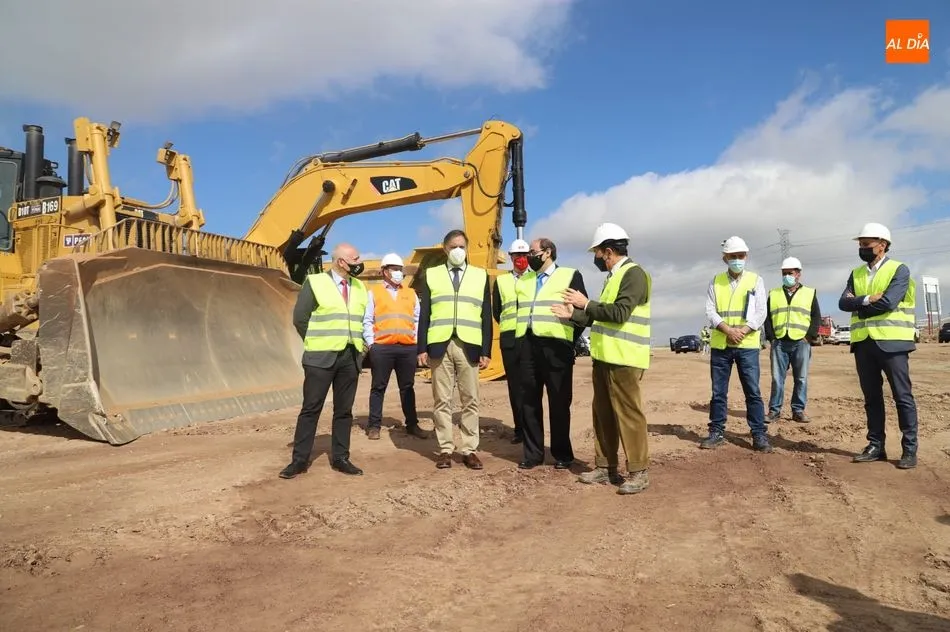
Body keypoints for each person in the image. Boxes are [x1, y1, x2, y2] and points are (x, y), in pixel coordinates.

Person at [552, 222, 652, 495]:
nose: (596, 257)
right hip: (605, 357)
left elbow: (619, 313)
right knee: (602, 414)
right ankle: (605, 467)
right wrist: (573, 314)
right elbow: (601, 316)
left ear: (608, 251)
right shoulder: (613, 278)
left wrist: (584, 303)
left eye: (597, 252)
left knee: (629, 415)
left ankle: (638, 472)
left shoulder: (634, 274)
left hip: (625, 359)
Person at [279, 243, 368, 479]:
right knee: (311, 408)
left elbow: (361, 319)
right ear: (341, 262)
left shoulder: (359, 287)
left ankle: (341, 458)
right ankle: (299, 461)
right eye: (355, 259)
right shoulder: (316, 282)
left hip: (350, 356)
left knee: (344, 411)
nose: (359, 263)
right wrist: (316, 342)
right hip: (320, 357)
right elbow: (300, 318)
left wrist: (362, 348)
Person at [838, 222, 919, 469]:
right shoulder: (856, 274)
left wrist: (860, 308)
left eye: (866, 244)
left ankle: (909, 449)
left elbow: (888, 303)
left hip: (893, 343)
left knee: (902, 396)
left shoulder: (899, 270)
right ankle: (876, 446)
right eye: (861, 244)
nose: (862, 248)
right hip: (864, 344)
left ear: (882, 245)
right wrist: (865, 299)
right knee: (871, 398)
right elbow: (843, 303)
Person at [417, 229, 493, 470]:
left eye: (462, 246)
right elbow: (425, 314)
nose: (458, 251)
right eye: (453, 247)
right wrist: (421, 347)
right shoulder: (432, 275)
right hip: (439, 344)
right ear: (445, 249)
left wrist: (486, 350)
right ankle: (445, 449)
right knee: (442, 400)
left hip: (469, 345)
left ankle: (469, 449)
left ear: (467, 248)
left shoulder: (480, 275)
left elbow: (486, 316)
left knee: (470, 399)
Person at [513, 237, 587, 469]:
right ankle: (533, 454)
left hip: (557, 348)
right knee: (529, 403)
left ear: (547, 252)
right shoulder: (524, 280)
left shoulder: (569, 275)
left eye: (533, 252)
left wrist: (569, 340)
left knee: (559, 402)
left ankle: (562, 454)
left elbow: (582, 313)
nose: (529, 256)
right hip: (528, 347)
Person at [701, 236, 773, 452]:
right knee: (718, 393)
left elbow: (761, 312)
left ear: (746, 256)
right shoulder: (715, 281)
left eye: (740, 256)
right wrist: (728, 330)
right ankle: (716, 432)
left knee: (752, 391)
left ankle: (758, 434)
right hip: (721, 345)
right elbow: (710, 310)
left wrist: (743, 330)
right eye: (733, 256)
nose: (737, 260)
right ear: (725, 258)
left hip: (747, 345)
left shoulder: (755, 280)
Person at [362, 252, 428, 440]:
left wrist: (416, 341)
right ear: (385, 271)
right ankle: (374, 426)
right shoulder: (374, 293)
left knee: (407, 387)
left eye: (400, 269)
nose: (399, 272)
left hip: (407, 348)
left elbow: (417, 319)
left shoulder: (410, 293)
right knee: (378, 387)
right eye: (394, 269)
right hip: (382, 348)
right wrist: (372, 344)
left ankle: (412, 424)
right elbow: (367, 320)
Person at [764, 256, 822, 423]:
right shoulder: (774, 294)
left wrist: (809, 337)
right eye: (784, 273)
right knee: (777, 379)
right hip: (779, 342)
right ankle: (774, 411)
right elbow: (767, 318)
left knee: (801, 378)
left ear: (798, 274)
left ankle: (798, 410)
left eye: (790, 273)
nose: (786, 276)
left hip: (801, 342)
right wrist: (772, 337)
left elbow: (816, 316)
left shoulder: (809, 293)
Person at [492, 238, 530, 444]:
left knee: (531, 386)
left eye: (524, 255)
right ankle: (519, 430)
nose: (520, 259)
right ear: (511, 257)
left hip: (530, 339)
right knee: (515, 387)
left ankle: (532, 429)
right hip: (509, 340)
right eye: (517, 256)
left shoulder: (535, 278)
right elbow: (497, 310)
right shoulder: (501, 281)